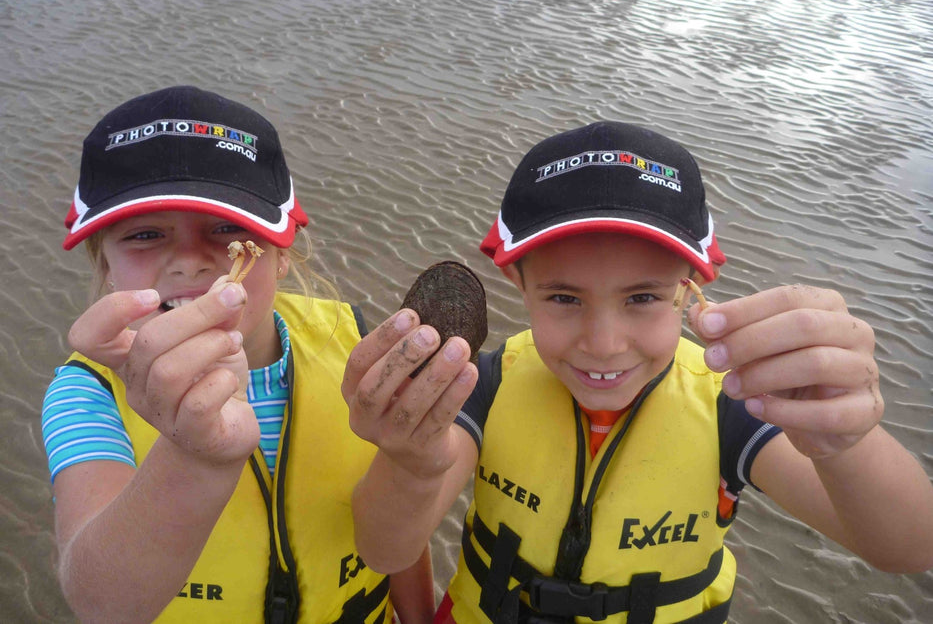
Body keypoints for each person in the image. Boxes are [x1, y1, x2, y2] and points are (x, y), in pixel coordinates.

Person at [342, 121, 933, 624]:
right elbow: (383, 548)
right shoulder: (487, 386)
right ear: (517, 282)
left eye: (643, 298)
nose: (604, 345)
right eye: (565, 299)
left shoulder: (733, 403)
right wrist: (413, 462)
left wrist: (845, 442)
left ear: (693, 289)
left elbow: (907, 546)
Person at [41, 86, 435, 624]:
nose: (188, 262)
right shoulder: (86, 393)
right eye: (146, 234)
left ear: (282, 253)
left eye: (228, 229)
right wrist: (195, 456)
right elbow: (100, 602)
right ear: (104, 262)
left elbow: (398, 540)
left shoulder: (357, 348)